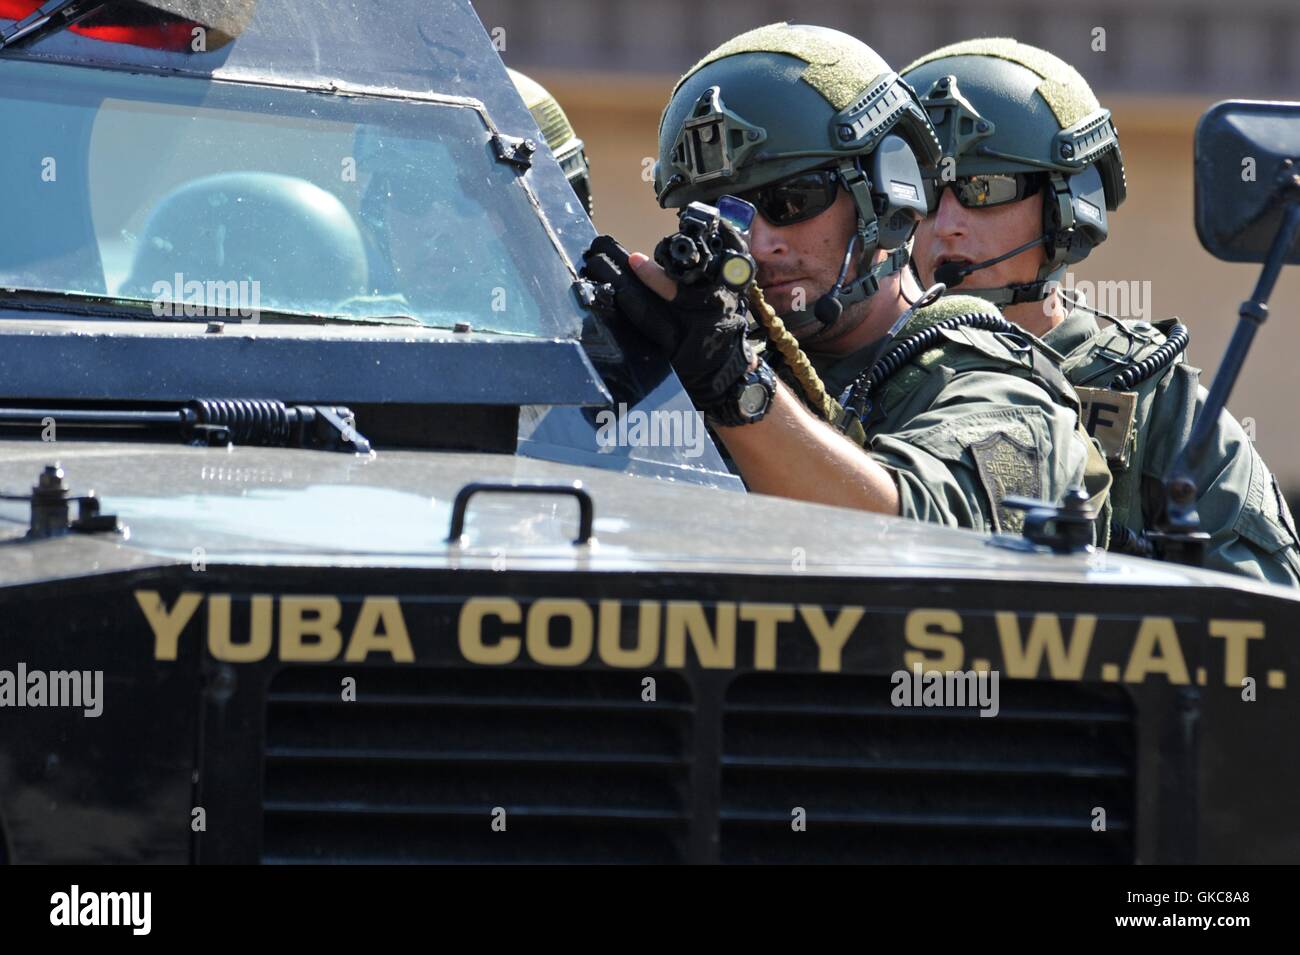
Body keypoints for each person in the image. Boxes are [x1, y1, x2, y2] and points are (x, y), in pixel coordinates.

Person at [582, 23, 1109, 536]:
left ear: (884, 194)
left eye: (792, 201)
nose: (761, 244)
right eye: (728, 216)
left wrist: (736, 391)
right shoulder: (698, 365)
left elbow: (919, 544)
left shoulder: (998, 388)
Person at [904, 38, 1300, 583]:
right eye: (925, 191)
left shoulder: (1160, 406)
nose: (944, 222)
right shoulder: (850, 368)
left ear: (1065, 207)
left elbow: (1265, 618)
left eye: (982, 188)